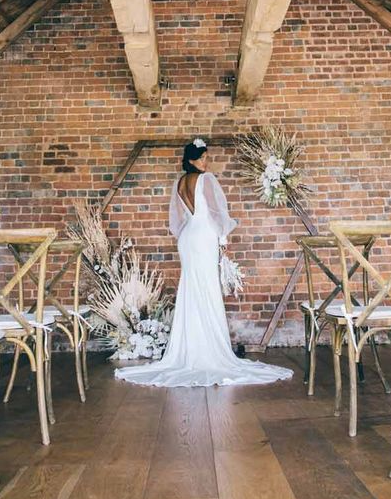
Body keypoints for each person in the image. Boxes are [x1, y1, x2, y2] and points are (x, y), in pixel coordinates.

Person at [114, 138, 293, 387]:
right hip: (204, 236)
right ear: (190, 160)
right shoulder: (206, 180)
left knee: (191, 290)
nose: (205, 161)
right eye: (201, 157)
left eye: (206, 157)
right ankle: (209, 351)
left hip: (188, 238)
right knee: (207, 290)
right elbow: (218, 212)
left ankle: (190, 350)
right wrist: (223, 238)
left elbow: (178, 220)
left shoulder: (179, 182)